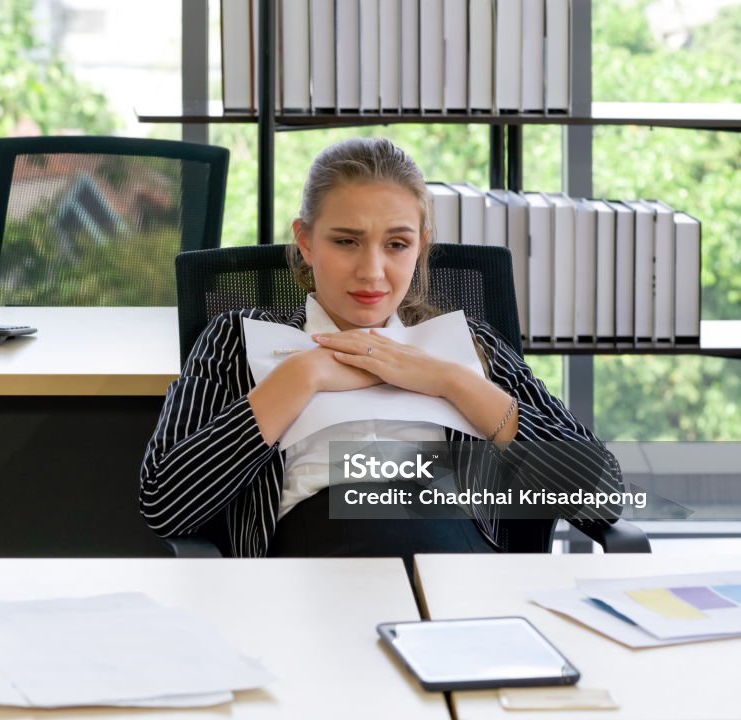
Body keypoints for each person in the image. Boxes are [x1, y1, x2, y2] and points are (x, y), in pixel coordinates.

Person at [140, 137, 622, 561]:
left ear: (421, 246)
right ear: (305, 242)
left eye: (396, 244)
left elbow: (603, 493)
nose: (372, 272)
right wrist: (302, 376)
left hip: (455, 560)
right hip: (310, 566)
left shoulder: (469, 345)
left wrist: (451, 382)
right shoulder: (235, 338)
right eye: (347, 241)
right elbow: (167, 503)